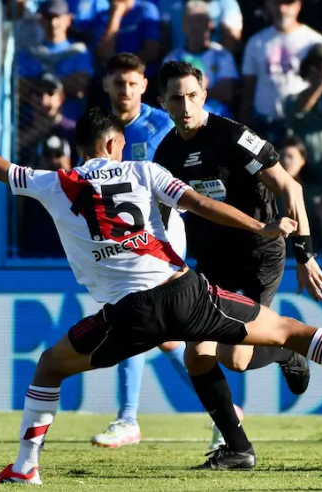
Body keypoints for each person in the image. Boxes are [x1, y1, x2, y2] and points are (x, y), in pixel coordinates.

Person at [0, 107, 322, 485]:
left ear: (82, 148)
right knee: (289, 331)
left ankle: (26, 466)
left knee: (50, 367)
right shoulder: (144, 171)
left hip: (129, 315)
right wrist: (262, 226)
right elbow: (202, 204)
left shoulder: (53, 183)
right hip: (184, 292)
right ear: (112, 144)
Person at [152, 60, 322, 463]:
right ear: (162, 102)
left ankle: (286, 351)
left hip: (258, 253)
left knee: (235, 358)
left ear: (205, 95)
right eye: (176, 98)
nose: (185, 106)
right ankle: (237, 448)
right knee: (196, 354)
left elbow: (290, 188)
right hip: (211, 258)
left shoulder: (233, 137)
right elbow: (160, 217)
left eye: (192, 96)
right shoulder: (166, 153)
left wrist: (305, 255)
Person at [90, 52, 191, 448]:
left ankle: (128, 419)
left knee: (133, 312)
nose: (126, 90)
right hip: (121, 239)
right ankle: (225, 408)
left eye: (133, 83)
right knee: (163, 334)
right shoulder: (99, 128)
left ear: (145, 86)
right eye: (119, 83)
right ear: (106, 85)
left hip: (162, 232)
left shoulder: (162, 125)